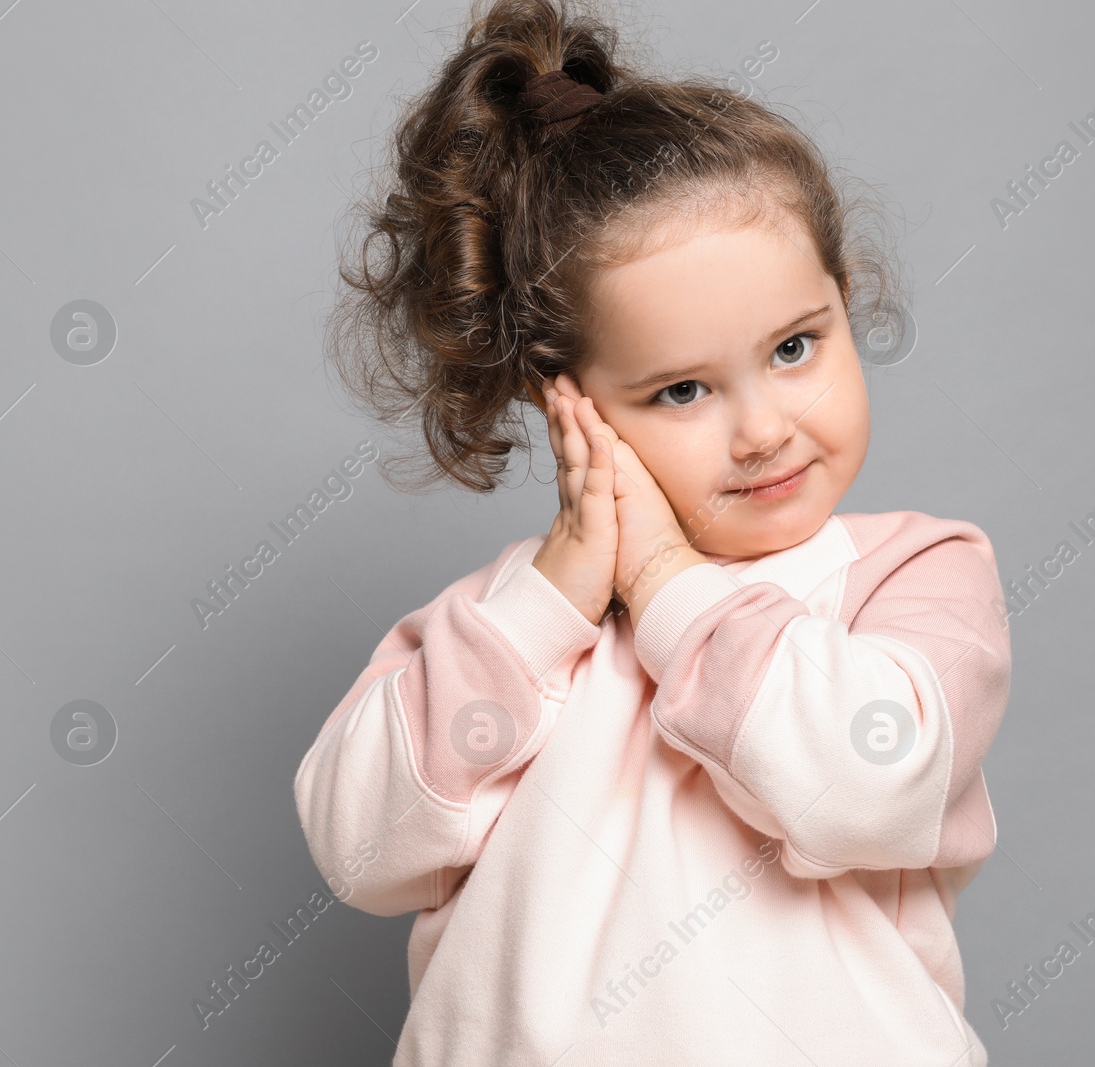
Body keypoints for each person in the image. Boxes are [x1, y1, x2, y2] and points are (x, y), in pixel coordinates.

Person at [294, 1, 1012, 1062]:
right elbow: (361, 849)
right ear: (567, 404)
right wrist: (547, 604)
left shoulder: (911, 577)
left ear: (843, 303)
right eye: (681, 389)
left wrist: (671, 580)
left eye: (793, 347)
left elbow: (860, 781)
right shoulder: (503, 628)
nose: (763, 429)